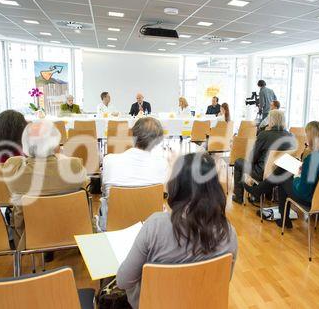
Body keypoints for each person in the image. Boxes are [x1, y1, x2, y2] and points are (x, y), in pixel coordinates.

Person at [117, 152, 238, 309]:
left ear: (176, 186)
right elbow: (223, 281)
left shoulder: (155, 226)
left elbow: (123, 281)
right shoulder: (228, 233)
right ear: (214, 188)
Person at [3, 120, 87, 248]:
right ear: (56, 144)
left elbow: (18, 159)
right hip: (70, 232)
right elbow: (81, 177)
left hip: (30, 237)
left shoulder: (13, 170)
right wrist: (58, 155)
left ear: (25, 144)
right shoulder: (74, 167)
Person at [244, 121, 319, 228]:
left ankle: (282, 217)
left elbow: (303, 191)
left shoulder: (312, 159)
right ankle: (260, 192)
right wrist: (304, 168)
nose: (306, 139)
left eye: (307, 136)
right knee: (283, 171)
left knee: (283, 177)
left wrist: (296, 177)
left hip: (313, 199)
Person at [98, 117, 169, 231]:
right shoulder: (162, 164)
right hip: (151, 228)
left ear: (132, 135)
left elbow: (104, 191)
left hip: (114, 227)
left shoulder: (109, 160)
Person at [232, 110, 296, 205]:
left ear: (271, 120)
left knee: (238, 162)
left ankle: (238, 197)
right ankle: (261, 194)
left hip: (262, 173)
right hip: (282, 174)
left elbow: (253, 157)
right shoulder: (290, 136)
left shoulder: (264, 135)